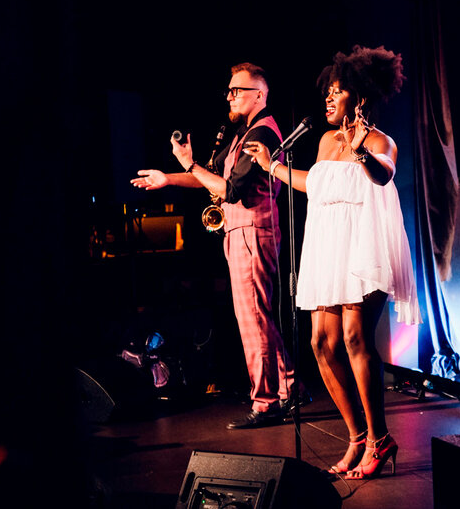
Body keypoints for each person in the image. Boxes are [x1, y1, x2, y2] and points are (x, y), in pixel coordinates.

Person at [243, 45, 420, 479]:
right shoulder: (324, 141)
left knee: (356, 337)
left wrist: (360, 151)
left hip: (362, 248)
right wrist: (271, 166)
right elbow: (317, 184)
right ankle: (357, 436)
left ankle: (379, 438)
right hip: (328, 247)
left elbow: (384, 174)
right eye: (328, 91)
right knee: (321, 342)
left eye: (337, 91)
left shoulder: (380, 141)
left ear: (359, 98)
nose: (328, 97)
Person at [131, 62, 305, 429]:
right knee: (260, 316)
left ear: (260, 94)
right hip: (242, 231)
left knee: (252, 320)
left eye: (237, 90)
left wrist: (188, 164)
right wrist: (170, 178)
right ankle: (290, 387)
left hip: (250, 230)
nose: (230, 96)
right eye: (229, 90)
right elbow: (211, 177)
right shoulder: (244, 132)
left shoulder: (262, 133)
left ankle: (265, 403)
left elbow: (230, 190)